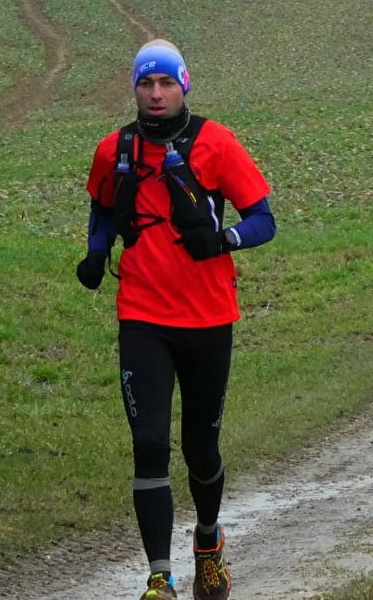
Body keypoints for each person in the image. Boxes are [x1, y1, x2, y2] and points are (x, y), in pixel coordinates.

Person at [80, 40, 277, 600]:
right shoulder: (113, 149)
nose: (157, 93)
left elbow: (264, 219)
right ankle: (159, 578)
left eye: (166, 83)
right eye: (147, 84)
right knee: (148, 441)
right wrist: (97, 251)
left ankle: (209, 542)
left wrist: (224, 239)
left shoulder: (216, 143)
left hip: (210, 315)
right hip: (142, 313)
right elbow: (101, 206)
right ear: (135, 90)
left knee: (202, 448)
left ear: (183, 85)